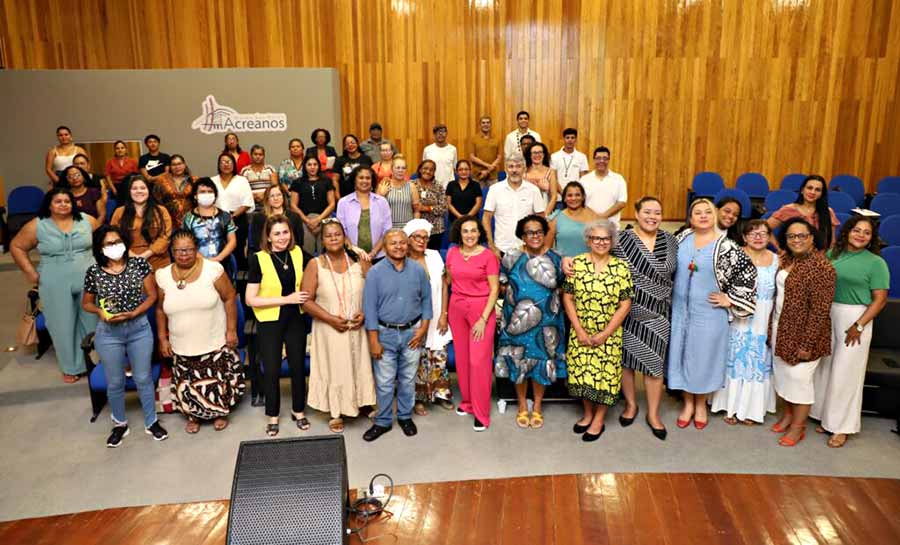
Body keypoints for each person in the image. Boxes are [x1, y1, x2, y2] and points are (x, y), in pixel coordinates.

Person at [668, 198, 757, 430]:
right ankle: (687, 403)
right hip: (680, 312)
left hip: (709, 314)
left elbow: (747, 273)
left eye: (708, 212)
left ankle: (700, 404)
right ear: (690, 218)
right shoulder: (681, 239)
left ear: (715, 216)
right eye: (698, 212)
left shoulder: (725, 245)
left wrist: (730, 299)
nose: (703, 216)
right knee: (681, 355)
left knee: (703, 359)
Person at [82, 225, 167, 447]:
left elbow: (152, 296)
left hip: (138, 327)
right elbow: (87, 303)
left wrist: (136, 312)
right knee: (115, 381)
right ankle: (119, 423)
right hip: (108, 333)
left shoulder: (138, 264)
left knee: (143, 377)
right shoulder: (94, 272)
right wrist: (100, 312)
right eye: (108, 243)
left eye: (117, 241)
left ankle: (152, 421)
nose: (114, 247)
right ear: (100, 248)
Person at [811, 216, 889, 447]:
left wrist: (859, 325)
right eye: (857, 230)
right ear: (848, 231)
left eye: (867, 232)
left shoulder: (876, 263)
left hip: (855, 317)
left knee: (847, 373)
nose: (861, 235)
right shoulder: (833, 254)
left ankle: (841, 427)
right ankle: (825, 418)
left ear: (871, 238)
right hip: (829, 313)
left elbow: (880, 300)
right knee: (825, 367)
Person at [156, 229, 244, 433]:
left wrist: (231, 330)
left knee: (215, 381)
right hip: (181, 343)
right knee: (187, 382)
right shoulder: (162, 276)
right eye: (178, 250)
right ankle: (193, 414)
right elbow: (160, 310)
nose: (183, 254)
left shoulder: (213, 270)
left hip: (213, 341)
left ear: (196, 249)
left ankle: (219, 411)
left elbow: (230, 297)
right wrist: (162, 338)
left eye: (188, 249)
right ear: (171, 251)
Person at [10, 187, 100, 382]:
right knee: (62, 323)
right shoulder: (37, 225)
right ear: (49, 204)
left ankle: (96, 363)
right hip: (54, 278)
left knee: (93, 319)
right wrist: (30, 272)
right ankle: (71, 367)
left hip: (88, 275)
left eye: (67, 201)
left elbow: (103, 242)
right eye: (58, 201)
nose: (63, 205)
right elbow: (16, 246)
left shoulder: (87, 220)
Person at [609, 197, 676, 439]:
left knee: (654, 366)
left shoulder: (671, 241)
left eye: (657, 212)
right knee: (626, 362)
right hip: (627, 310)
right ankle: (631, 405)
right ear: (636, 214)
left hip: (658, 312)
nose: (652, 216)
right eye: (647, 211)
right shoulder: (621, 239)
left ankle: (654, 414)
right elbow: (602, 260)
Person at [301, 219, 375, 433]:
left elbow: (373, 293)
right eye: (328, 235)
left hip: (357, 326)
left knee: (360, 363)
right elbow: (306, 301)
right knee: (335, 367)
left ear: (345, 238)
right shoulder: (315, 264)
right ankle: (335, 411)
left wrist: (366, 314)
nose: (333, 238)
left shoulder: (360, 261)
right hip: (328, 327)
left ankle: (363, 402)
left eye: (337, 234)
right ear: (322, 240)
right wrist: (330, 318)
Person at [563, 219, 634, 441]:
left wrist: (605, 334)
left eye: (605, 238)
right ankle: (587, 414)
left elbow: (626, 304)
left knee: (605, 377)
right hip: (580, 331)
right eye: (596, 238)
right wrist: (579, 330)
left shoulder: (621, 267)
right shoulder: (577, 263)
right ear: (588, 240)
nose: (601, 242)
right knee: (582, 374)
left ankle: (599, 419)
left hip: (609, 333)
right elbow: (568, 297)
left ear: (612, 241)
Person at [770, 217, 836, 447]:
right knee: (784, 376)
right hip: (781, 326)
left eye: (802, 235)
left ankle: (798, 428)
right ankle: (788, 415)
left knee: (799, 380)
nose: (796, 240)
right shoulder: (786, 259)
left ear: (811, 238)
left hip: (805, 333)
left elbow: (820, 311)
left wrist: (807, 344)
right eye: (791, 236)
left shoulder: (822, 267)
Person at [495, 215, 566, 429]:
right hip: (516, 322)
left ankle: (537, 406)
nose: (534, 236)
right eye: (529, 232)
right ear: (522, 236)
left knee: (541, 363)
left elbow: (564, 287)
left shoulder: (557, 258)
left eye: (538, 232)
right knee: (519, 362)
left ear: (545, 234)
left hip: (547, 322)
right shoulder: (512, 256)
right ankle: (522, 406)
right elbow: (502, 282)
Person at [362, 229, 433, 441]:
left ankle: (404, 417)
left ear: (408, 244)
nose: (399, 247)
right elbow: (370, 308)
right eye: (393, 243)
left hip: (412, 332)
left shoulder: (418, 270)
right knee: (384, 382)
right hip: (385, 333)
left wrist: (423, 328)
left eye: (402, 242)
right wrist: (373, 340)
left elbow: (427, 300)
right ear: (385, 246)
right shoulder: (375, 272)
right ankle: (383, 421)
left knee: (408, 379)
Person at [245, 215, 312, 437]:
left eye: (286, 232)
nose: (282, 237)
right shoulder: (258, 259)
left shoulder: (298, 253)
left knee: (297, 367)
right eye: (277, 233)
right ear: (268, 236)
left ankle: (298, 410)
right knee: (272, 369)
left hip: (296, 318)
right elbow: (250, 299)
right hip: (270, 320)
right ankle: (272, 415)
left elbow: (323, 265)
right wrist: (287, 299)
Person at [710, 220, 779, 425]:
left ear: (769, 237)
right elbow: (720, 282)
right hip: (738, 316)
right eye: (753, 233)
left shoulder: (777, 260)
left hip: (764, 316)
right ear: (744, 236)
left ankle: (752, 409)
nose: (758, 237)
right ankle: (730, 406)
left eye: (763, 233)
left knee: (757, 360)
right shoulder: (734, 256)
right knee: (735, 356)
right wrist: (728, 299)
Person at [445, 216, 500, 431]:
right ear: (459, 233)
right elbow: (449, 281)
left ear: (480, 233)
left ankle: (481, 413)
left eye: (473, 231)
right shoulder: (451, 253)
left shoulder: (488, 256)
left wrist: (484, 318)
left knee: (479, 362)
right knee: (463, 359)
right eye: (465, 231)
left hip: (481, 310)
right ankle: (467, 403)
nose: (469, 235)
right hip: (457, 307)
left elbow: (495, 289)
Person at [404, 219, 454, 415]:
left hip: (436, 315)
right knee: (416, 358)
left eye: (425, 237)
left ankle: (441, 393)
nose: (421, 241)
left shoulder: (434, 256)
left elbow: (443, 285)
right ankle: (418, 398)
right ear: (408, 239)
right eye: (417, 237)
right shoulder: (403, 259)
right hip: (413, 318)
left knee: (438, 355)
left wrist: (444, 314)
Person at [482, 153, 545, 257]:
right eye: (511, 166)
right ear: (506, 169)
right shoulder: (495, 189)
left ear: (524, 169)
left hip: (528, 249)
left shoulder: (533, 190)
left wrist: (539, 245)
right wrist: (491, 246)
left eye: (518, 166)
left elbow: (541, 219)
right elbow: (486, 218)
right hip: (502, 249)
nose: (514, 170)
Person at [111, 176, 173, 271]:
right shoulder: (119, 212)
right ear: (129, 192)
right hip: (128, 260)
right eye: (134, 188)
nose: (139, 191)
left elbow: (165, 237)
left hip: (158, 260)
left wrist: (144, 256)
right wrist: (133, 256)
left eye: (143, 188)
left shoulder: (161, 211)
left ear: (149, 190)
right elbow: (114, 238)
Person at [181, 178, 237, 276]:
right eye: (202, 192)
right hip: (196, 264)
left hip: (223, 263)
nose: (206, 194)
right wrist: (204, 261)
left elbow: (232, 241)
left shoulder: (225, 215)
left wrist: (219, 258)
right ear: (195, 196)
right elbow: (186, 244)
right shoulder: (188, 218)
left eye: (210, 191)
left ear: (215, 195)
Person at [767, 174, 839, 249]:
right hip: (794, 256)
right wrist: (778, 248)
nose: (812, 192)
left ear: (821, 194)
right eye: (809, 188)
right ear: (802, 190)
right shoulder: (788, 209)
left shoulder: (828, 212)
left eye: (817, 190)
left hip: (820, 256)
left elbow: (832, 241)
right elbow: (765, 228)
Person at [336, 166, 393, 260]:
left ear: (372, 181)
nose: (364, 181)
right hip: (351, 257)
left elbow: (387, 231)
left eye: (368, 178)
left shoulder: (382, 202)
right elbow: (341, 232)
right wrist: (354, 250)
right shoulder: (343, 203)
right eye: (361, 177)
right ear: (354, 180)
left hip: (379, 257)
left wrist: (374, 253)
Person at [211, 153, 254, 270]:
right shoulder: (212, 181)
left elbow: (247, 203)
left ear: (234, 164)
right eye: (223, 162)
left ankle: (239, 279)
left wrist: (231, 217)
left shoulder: (242, 180)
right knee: (217, 247)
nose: (226, 164)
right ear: (218, 164)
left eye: (229, 161)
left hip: (237, 218)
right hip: (215, 219)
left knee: (238, 249)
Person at [290, 156, 336, 254]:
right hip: (304, 220)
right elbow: (293, 205)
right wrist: (307, 221)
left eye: (315, 164)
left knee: (325, 251)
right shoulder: (297, 182)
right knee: (307, 251)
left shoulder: (326, 181)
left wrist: (318, 219)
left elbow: (332, 204)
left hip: (324, 219)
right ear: (305, 166)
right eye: (309, 164)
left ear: (319, 166)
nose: (312, 167)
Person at [546, 181, 599, 257]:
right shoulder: (555, 219)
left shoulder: (594, 217)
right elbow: (547, 249)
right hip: (563, 266)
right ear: (564, 198)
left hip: (589, 266)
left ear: (583, 197)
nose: (573, 198)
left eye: (577, 195)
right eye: (570, 195)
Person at [579, 146, 628, 226]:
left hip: (612, 227)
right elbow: (580, 203)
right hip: (589, 226)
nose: (601, 161)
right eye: (598, 158)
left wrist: (603, 216)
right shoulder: (584, 180)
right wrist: (596, 217)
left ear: (609, 160)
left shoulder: (618, 179)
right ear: (594, 160)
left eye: (605, 158)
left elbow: (622, 202)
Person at [249, 184, 305, 254]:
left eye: (279, 195)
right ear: (267, 199)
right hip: (267, 254)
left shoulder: (294, 217)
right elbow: (257, 243)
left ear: (283, 197)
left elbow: (299, 241)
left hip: (290, 254)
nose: (276, 198)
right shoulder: (259, 218)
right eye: (272, 196)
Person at [412, 160, 448, 249]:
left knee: (433, 256)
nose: (428, 171)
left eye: (431, 170)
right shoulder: (412, 184)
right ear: (420, 169)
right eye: (425, 168)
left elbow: (444, 208)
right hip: (416, 229)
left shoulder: (438, 186)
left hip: (435, 229)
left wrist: (427, 208)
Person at [377, 156, 421, 228]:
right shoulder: (384, 184)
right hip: (388, 228)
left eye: (403, 168)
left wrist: (415, 228)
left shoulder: (412, 186)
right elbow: (376, 209)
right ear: (392, 170)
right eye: (397, 168)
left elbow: (416, 211)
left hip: (407, 229)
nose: (400, 170)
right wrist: (381, 195)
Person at [153, 154, 195, 226]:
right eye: (174, 165)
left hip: (190, 221)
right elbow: (156, 201)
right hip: (168, 221)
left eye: (179, 164)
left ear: (184, 165)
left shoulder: (194, 180)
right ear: (170, 167)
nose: (177, 167)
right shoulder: (161, 181)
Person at [241, 144, 279, 212]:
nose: (258, 156)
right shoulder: (245, 170)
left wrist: (264, 195)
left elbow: (275, 187)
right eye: (255, 154)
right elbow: (242, 190)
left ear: (264, 156)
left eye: (260, 154)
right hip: (251, 205)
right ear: (251, 155)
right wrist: (253, 196)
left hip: (268, 204)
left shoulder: (270, 169)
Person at [525, 142, 559, 216]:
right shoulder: (523, 172)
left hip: (544, 210)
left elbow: (554, 196)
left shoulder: (551, 172)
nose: (537, 155)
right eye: (534, 153)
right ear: (529, 155)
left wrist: (545, 214)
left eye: (540, 152)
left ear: (544, 154)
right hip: (526, 212)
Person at [470, 115, 502, 185]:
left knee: (494, 195)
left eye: (488, 122)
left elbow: (499, 157)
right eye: (483, 123)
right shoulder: (474, 139)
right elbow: (472, 157)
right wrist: (487, 165)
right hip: (478, 175)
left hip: (493, 175)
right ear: (480, 125)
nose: (486, 124)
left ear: (490, 125)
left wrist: (488, 170)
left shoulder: (497, 139)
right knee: (478, 195)